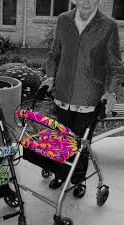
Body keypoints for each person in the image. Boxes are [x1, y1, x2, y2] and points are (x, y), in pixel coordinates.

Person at [41, 0, 124, 198]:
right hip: (62, 96)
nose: (86, 1)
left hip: (89, 98)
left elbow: (115, 65)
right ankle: (61, 174)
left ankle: (78, 179)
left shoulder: (108, 25)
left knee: (81, 143)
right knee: (62, 138)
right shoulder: (63, 20)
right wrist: (50, 76)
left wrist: (111, 91)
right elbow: (54, 54)